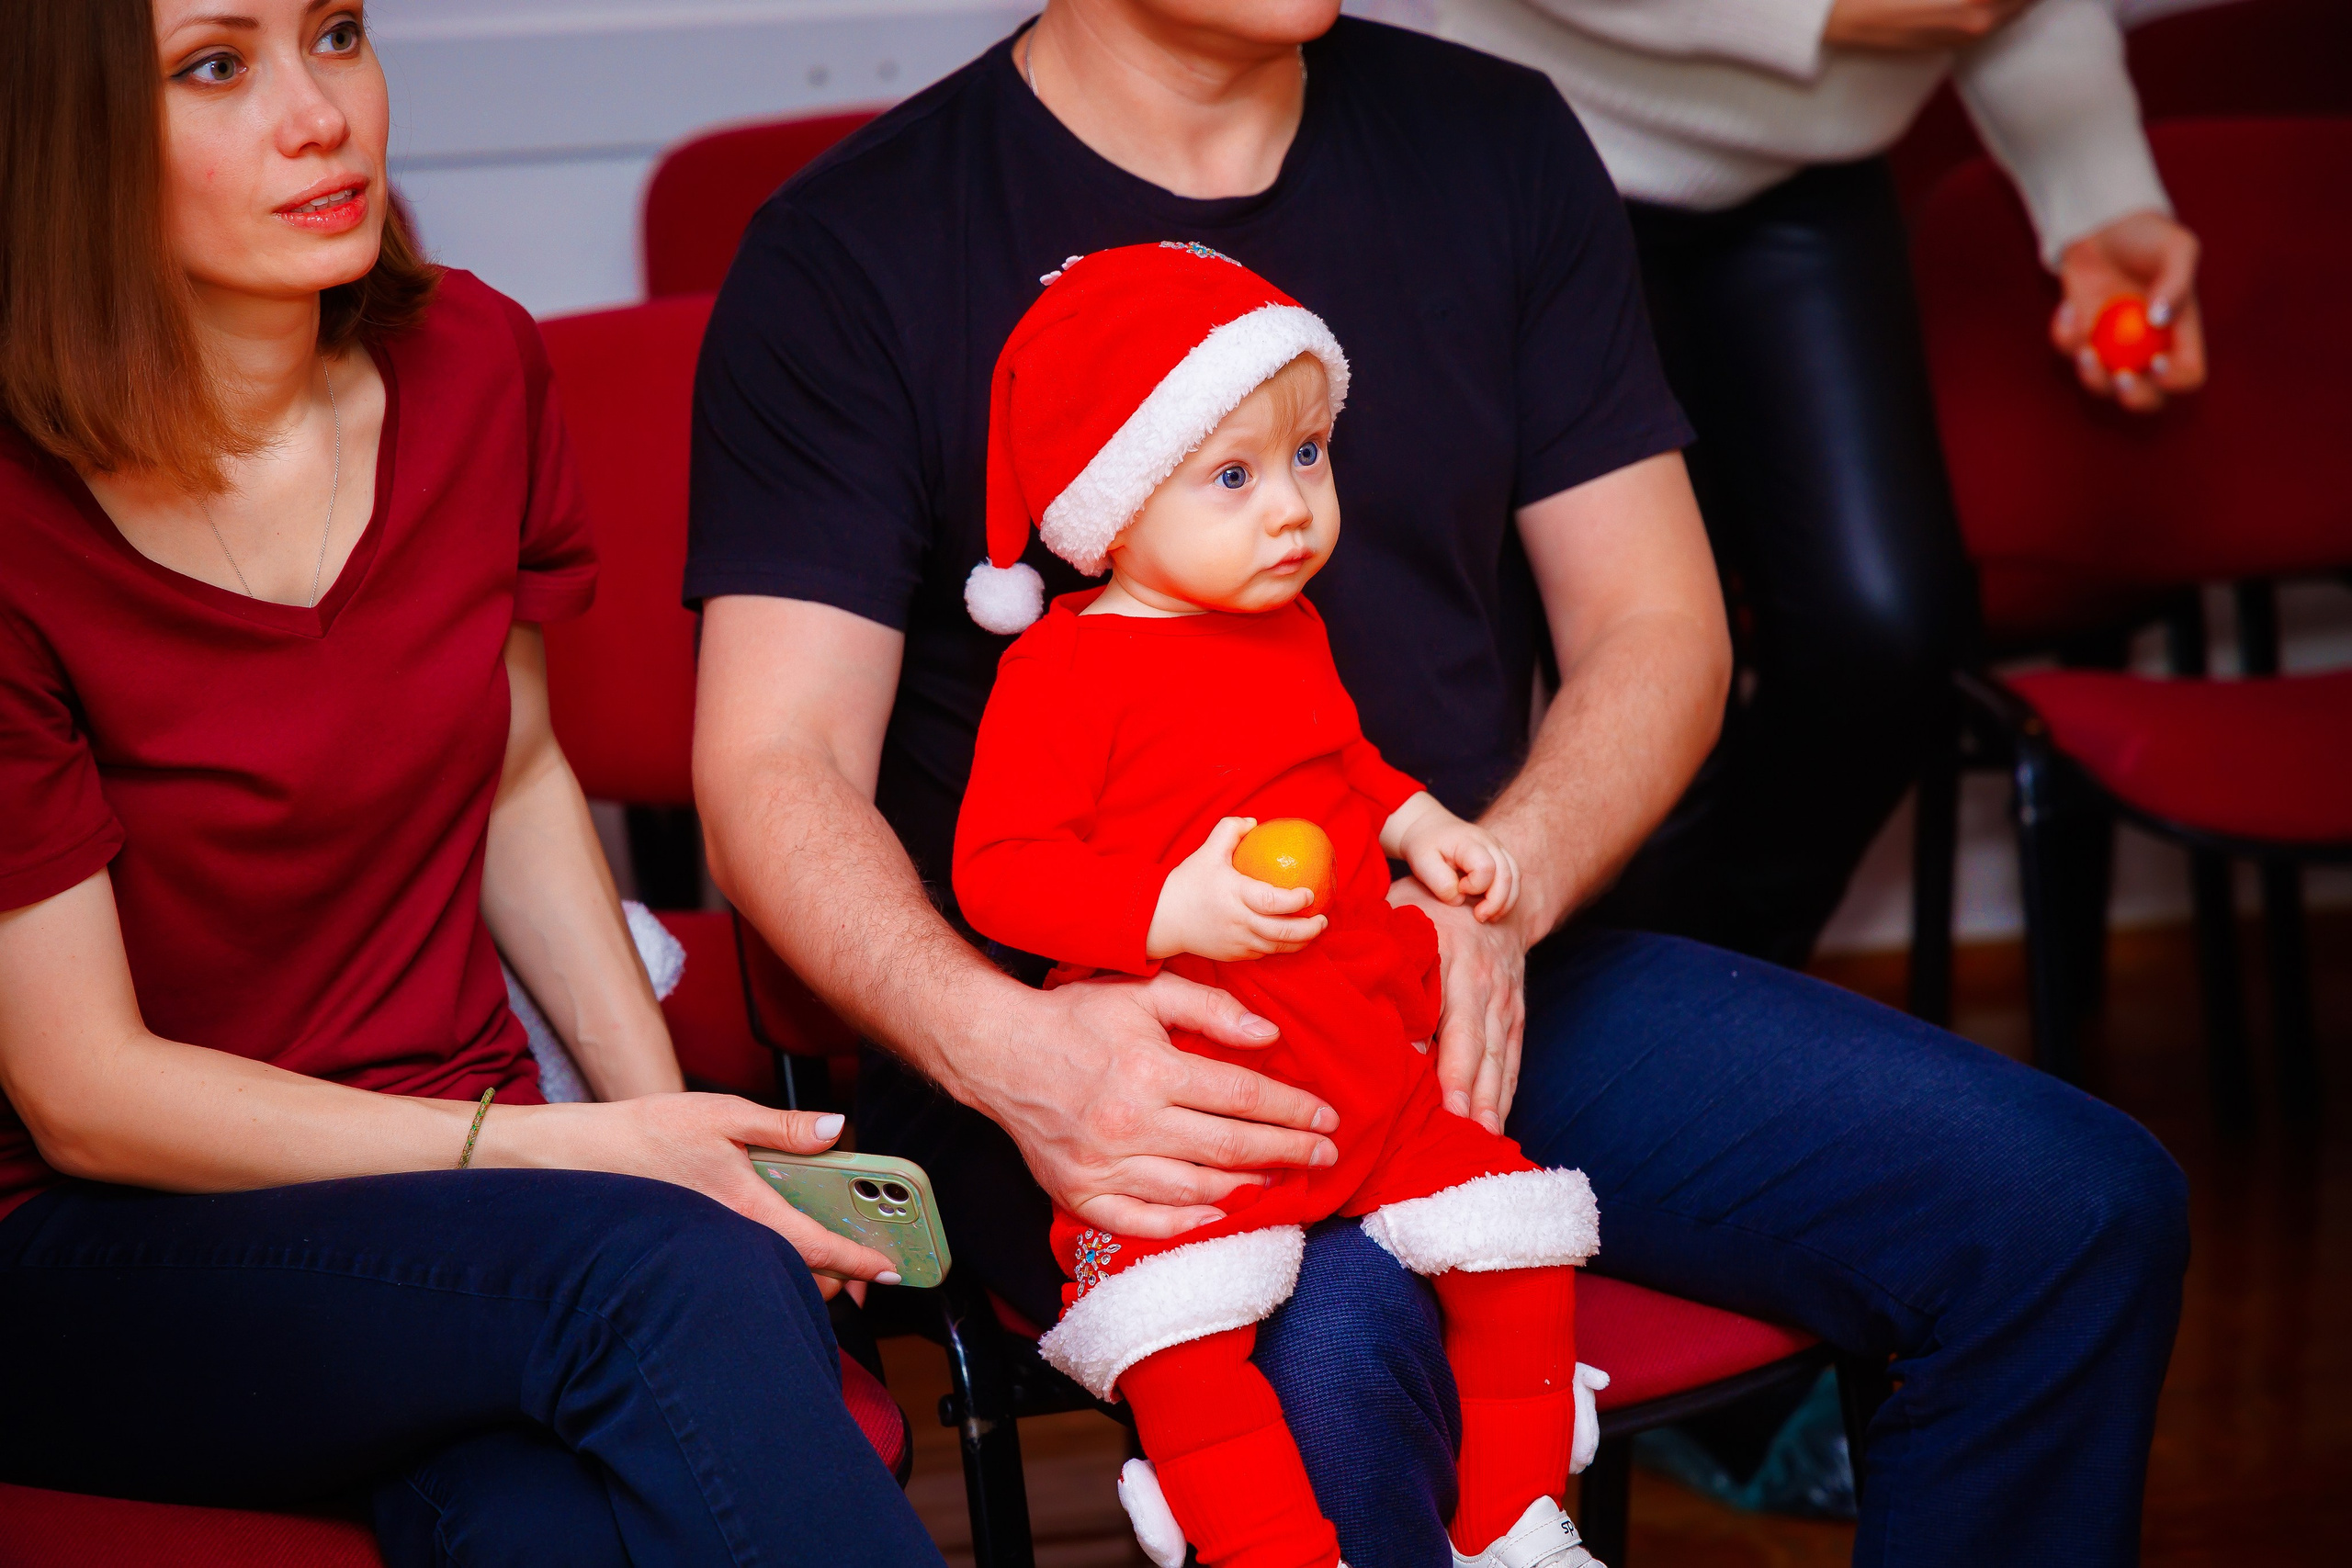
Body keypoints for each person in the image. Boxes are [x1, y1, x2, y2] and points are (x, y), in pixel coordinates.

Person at [687, 5, 2190, 1566]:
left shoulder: (1501, 138)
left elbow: (1656, 623)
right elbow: (771, 769)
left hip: (1456, 972)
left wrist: (1503, 887)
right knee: (1339, 1358)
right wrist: (1015, 1050)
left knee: (2067, 1211)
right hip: (1108, 1037)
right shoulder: (850, 246)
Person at [0, 4, 938, 1562]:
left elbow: (512, 776)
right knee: (662, 1273)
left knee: (550, 1517)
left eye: (339, 34)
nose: (323, 114)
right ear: (57, 132)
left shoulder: (471, 364)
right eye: (215, 66)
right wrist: (602, 1157)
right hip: (109, 1248)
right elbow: (86, 1095)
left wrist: (676, 1128)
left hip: (460, 1192)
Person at [953, 243, 1602, 1568]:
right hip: (1207, 1097)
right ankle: (1263, 1544)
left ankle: (1517, 1527)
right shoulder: (1068, 670)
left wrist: (1424, 824)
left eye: (1309, 456)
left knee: (1521, 1240)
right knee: (1185, 1336)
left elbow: (1345, 761)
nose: (1293, 509)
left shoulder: (1285, 622)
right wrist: (1164, 905)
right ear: (1116, 507)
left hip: (1368, 1057)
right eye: (1234, 477)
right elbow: (999, 870)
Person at [1434, 0, 2209, 964]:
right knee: (1636, 688)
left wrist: (2096, 196)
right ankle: (1663, 1037)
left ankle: (1703, 998)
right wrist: (1822, 13)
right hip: (1529, 150)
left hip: (1806, 177)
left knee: (1890, 636)